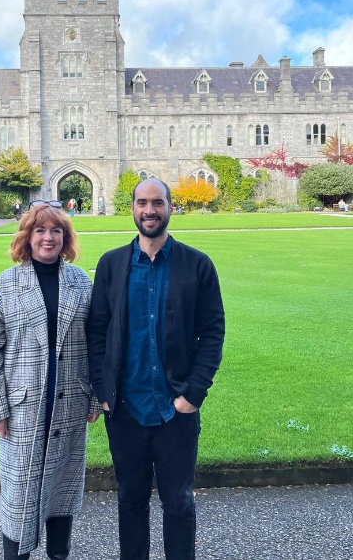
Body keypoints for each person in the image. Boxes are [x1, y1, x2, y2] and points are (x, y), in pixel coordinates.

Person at [87, 178, 225, 560]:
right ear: (132, 208)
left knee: (178, 502)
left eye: (158, 203)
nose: (150, 210)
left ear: (170, 208)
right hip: (125, 410)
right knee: (131, 501)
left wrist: (193, 394)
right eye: (142, 203)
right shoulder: (112, 264)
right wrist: (103, 392)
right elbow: (97, 332)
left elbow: (212, 333)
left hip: (174, 410)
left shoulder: (197, 265)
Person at [0, 200, 99, 560]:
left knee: (62, 494)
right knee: (19, 499)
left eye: (56, 231)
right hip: (21, 409)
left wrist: (94, 398)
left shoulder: (81, 282)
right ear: (27, 237)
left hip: (70, 405)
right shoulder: (7, 284)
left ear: (65, 237)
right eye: (40, 230)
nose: (48, 238)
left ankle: (59, 554)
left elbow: (98, 343)